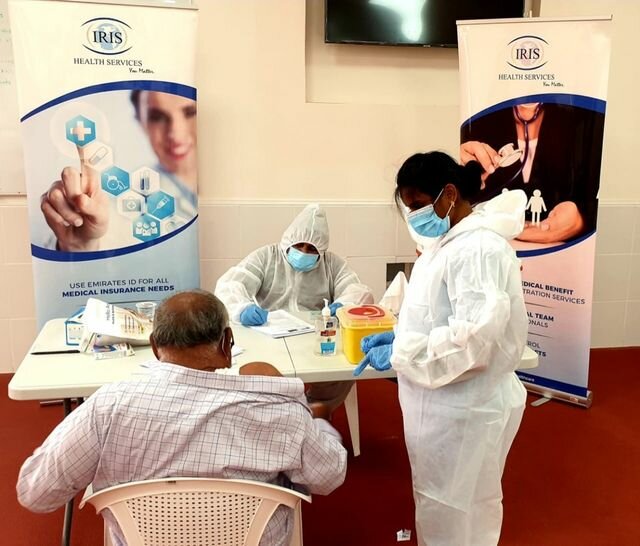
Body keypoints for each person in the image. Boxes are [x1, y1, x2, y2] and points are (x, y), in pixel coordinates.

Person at [17, 290, 347, 546]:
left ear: (155, 346)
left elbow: (36, 493)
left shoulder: (107, 407)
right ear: (227, 345)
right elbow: (329, 475)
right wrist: (315, 421)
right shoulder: (279, 411)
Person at [355, 151, 528, 546]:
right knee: (449, 505)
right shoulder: (447, 243)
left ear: (449, 194)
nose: (415, 216)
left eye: (418, 204)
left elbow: (473, 342)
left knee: (456, 509)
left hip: (464, 407)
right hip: (444, 403)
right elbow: (439, 316)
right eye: (409, 208)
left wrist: (402, 352)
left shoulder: (477, 250)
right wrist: (400, 335)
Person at [215, 203, 374, 412]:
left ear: (322, 251)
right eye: (299, 245)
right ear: (288, 241)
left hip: (314, 337)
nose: (304, 252)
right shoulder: (267, 256)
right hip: (268, 335)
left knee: (343, 370)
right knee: (252, 371)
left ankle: (315, 410)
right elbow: (230, 283)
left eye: (312, 249)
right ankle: (276, 411)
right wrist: (242, 308)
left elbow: (357, 290)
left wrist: (344, 306)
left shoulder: (331, 264)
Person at [40, 90, 197, 252]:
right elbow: (104, 241)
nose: (176, 135)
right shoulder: (126, 203)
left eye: (191, 112)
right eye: (157, 117)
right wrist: (78, 245)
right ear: (140, 121)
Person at [460, 102, 605, 244]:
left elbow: (595, 192)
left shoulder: (584, 115)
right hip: (490, 248)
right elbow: (462, 205)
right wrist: (458, 173)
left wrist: (580, 220)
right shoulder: (475, 117)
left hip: (560, 253)